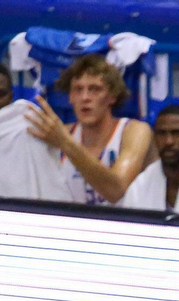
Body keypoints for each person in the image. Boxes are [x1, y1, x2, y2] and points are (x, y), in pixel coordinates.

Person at [25, 53, 151, 206]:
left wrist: (65, 143)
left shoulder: (134, 131)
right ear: (70, 97)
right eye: (78, 90)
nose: (85, 97)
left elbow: (116, 191)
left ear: (112, 96)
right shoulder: (59, 134)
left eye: (95, 89)